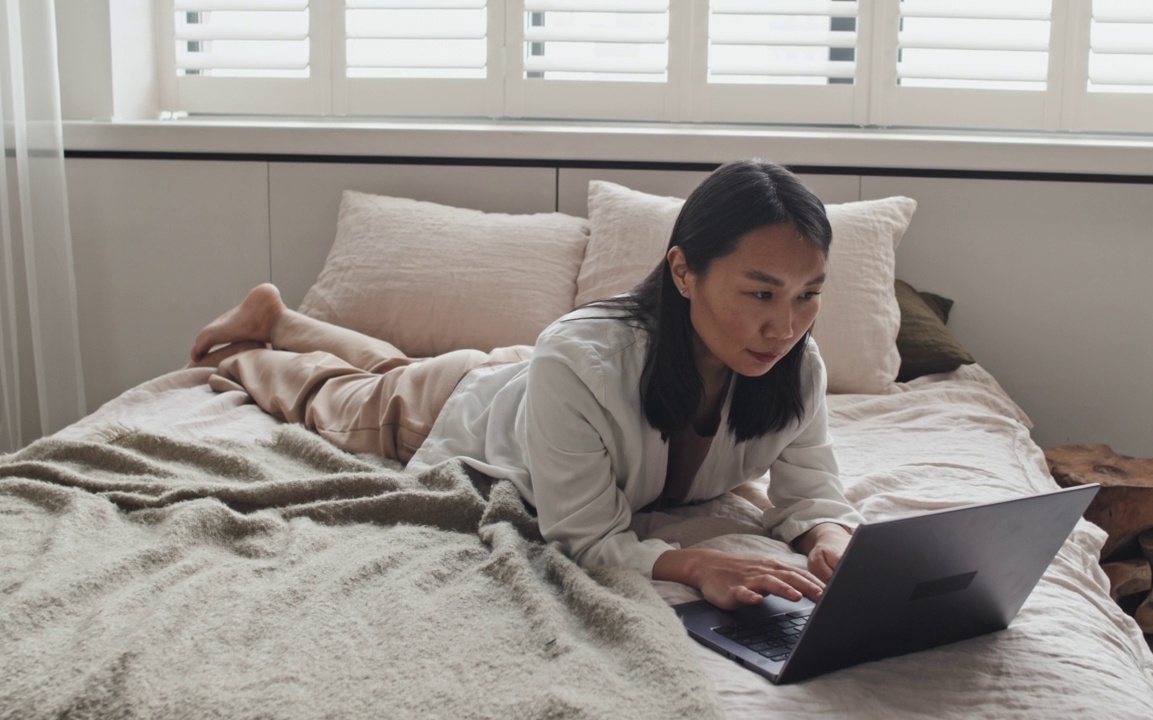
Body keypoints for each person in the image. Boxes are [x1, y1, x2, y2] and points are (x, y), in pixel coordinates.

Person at [188, 159, 864, 611]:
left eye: (808, 295)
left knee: (392, 370)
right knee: (340, 401)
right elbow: (586, 538)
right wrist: (689, 564)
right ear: (683, 272)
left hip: (534, 380)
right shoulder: (584, 361)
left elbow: (811, 492)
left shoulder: (794, 367)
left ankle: (279, 314)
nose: (785, 325)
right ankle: (252, 347)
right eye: (760, 293)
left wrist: (828, 537)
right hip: (463, 406)